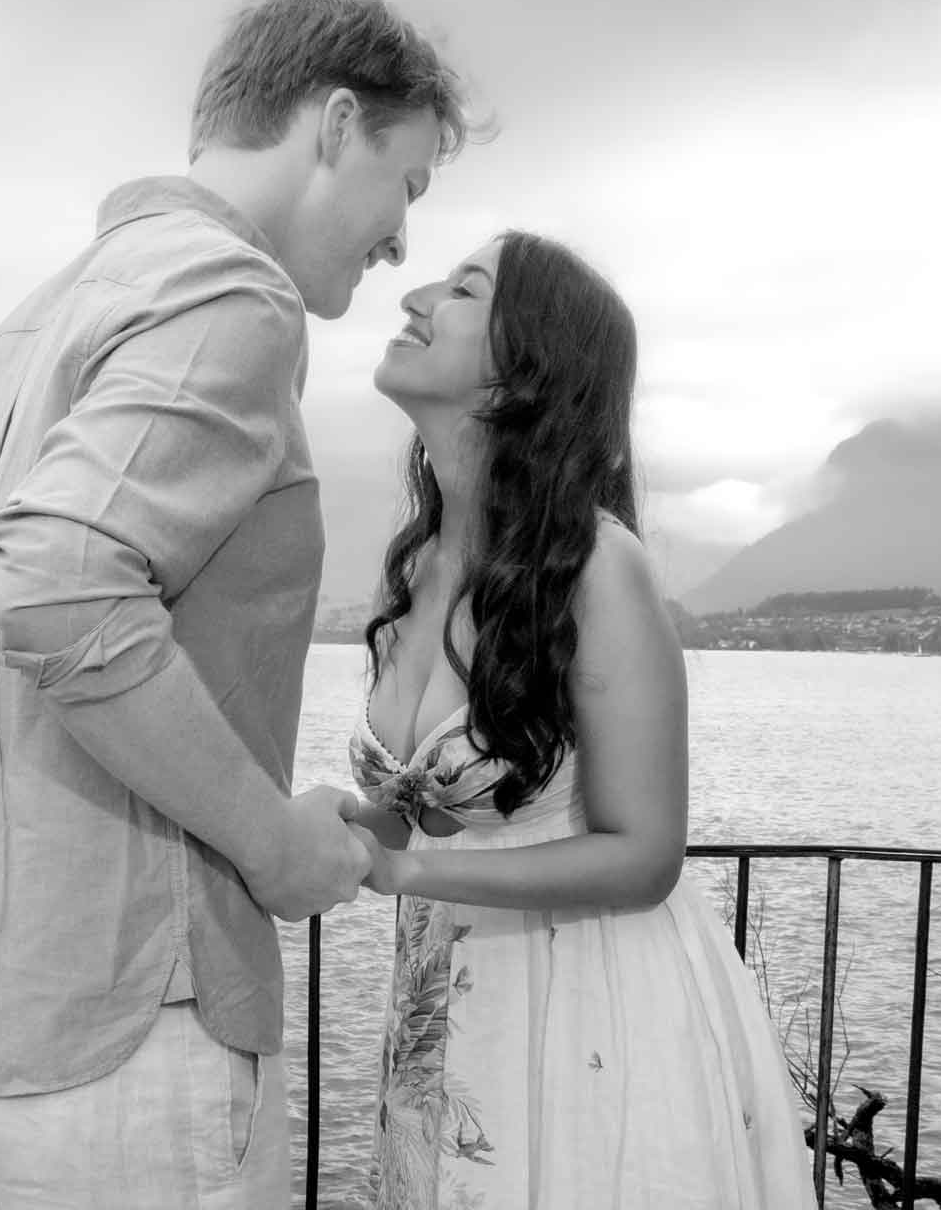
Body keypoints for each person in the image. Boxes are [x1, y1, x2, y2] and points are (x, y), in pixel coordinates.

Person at [0, 0, 481, 1208]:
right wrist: (265, 836)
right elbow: (63, 589)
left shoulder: (37, 319)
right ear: (336, 125)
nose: (401, 240)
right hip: (129, 1025)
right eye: (409, 185)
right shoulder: (231, 294)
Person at [345, 231, 819, 1208]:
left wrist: (409, 870)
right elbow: (423, 815)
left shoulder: (600, 569)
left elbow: (645, 855)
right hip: (456, 1006)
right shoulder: (420, 564)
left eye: (466, 285)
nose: (417, 295)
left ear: (527, 369)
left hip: (591, 1008)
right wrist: (346, 830)